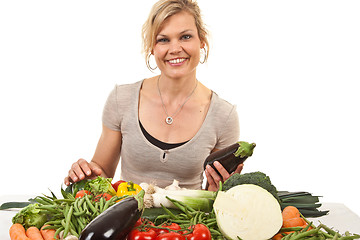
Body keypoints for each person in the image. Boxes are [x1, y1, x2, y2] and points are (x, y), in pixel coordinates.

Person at [64, 0, 243, 192]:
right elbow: (103, 172)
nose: (175, 49)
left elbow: (213, 197)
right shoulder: (121, 99)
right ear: (152, 47)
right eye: (163, 40)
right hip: (126, 218)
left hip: (189, 221)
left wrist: (220, 190)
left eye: (185, 36)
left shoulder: (223, 116)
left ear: (202, 41)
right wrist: (85, 173)